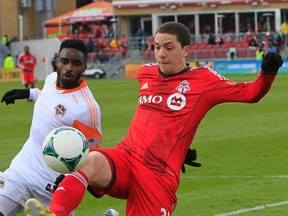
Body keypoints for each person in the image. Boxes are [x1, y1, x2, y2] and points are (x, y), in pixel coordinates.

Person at [24, 22, 283, 216]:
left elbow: (249, 93)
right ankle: (54, 214)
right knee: (86, 162)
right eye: (157, 47)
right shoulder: (146, 73)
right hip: (125, 156)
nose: (160, 53)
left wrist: (267, 74)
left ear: (186, 50)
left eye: (169, 48)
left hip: (158, 174)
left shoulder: (205, 80)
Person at [0, 39, 102, 216]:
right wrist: (28, 93)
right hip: (21, 170)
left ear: (85, 66)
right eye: (64, 61)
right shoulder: (51, 79)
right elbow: (47, 95)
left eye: (76, 63)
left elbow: (94, 152)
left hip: (52, 185)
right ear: (57, 61)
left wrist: (70, 179)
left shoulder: (87, 108)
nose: (69, 67)